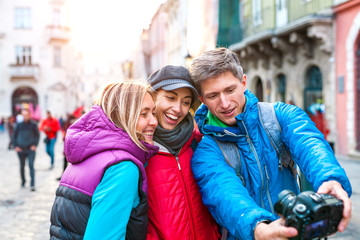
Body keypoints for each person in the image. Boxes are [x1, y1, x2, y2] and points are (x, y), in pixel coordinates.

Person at [189, 47, 352, 240]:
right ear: (202, 100)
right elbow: (225, 195)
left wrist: (330, 179)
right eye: (213, 96)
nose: (224, 103)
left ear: (243, 83)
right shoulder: (205, 152)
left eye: (230, 90)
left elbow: (310, 143)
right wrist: (258, 228)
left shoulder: (280, 116)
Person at [49, 80, 159, 239]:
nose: (154, 121)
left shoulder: (88, 152)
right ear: (122, 116)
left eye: (153, 113)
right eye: (144, 114)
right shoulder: (123, 167)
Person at [145, 65, 219, 240]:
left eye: (185, 102)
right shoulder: (139, 150)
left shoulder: (198, 142)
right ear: (152, 97)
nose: (178, 109)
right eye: (170, 98)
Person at [13, 108, 40, 191]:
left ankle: (32, 184)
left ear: (29, 115)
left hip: (30, 149)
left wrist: (35, 145)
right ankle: (23, 181)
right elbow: (14, 136)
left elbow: (37, 136)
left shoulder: (33, 124)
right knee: (22, 166)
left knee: (31, 165)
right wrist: (15, 146)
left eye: (26, 115)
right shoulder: (18, 125)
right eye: (23, 115)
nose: (25, 116)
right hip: (20, 150)